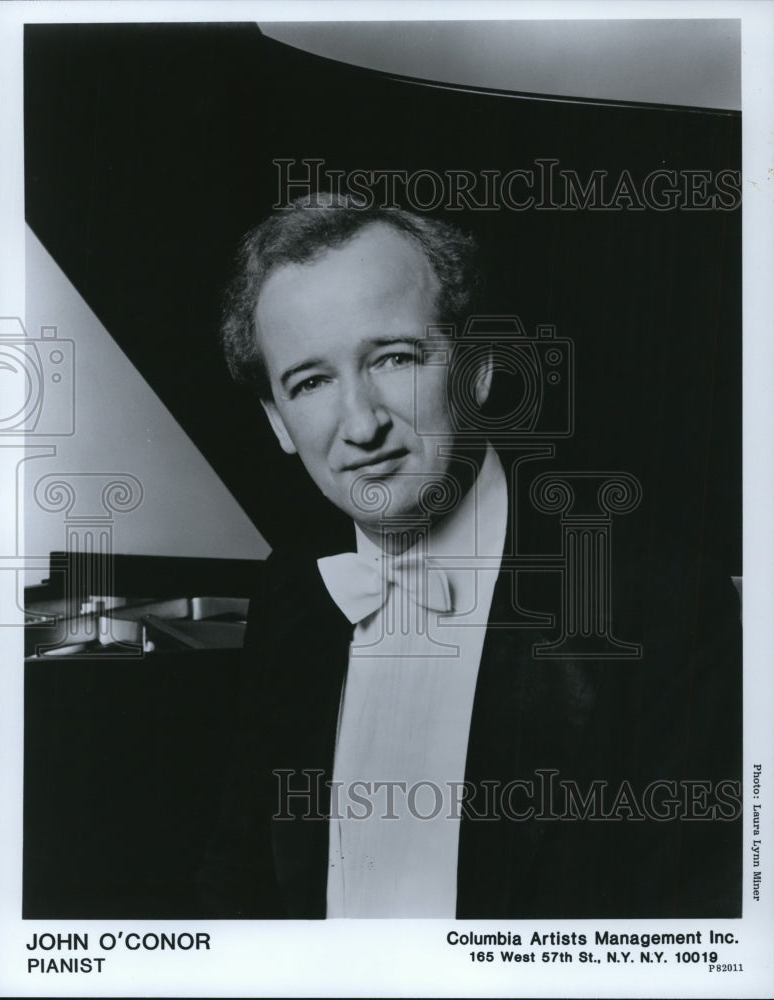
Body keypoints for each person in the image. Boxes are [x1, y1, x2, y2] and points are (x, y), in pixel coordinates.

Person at [199, 193, 741, 919]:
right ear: (278, 421)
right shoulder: (294, 591)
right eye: (311, 381)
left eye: (392, 357)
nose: (359, 423)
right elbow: (239, 894)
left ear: (478, 370)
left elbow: (695, 934)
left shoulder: (663, 603)